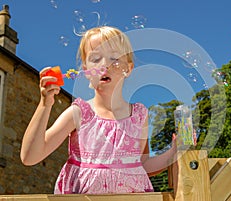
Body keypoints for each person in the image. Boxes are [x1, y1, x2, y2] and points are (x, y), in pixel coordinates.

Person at [20, 26, 178, 194]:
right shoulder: (79, 113)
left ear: (128, 68)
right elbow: (30, 157)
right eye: (96, 58)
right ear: (85, 71)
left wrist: (173, 152)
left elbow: (142, 164)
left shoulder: (139, 116)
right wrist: (45, 104)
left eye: (114, 57)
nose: (105, 64)